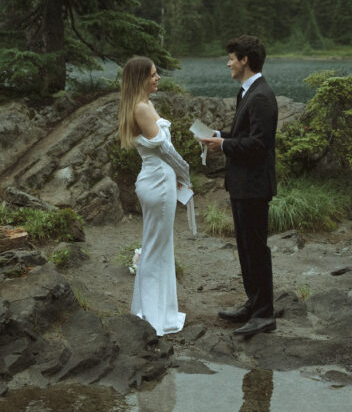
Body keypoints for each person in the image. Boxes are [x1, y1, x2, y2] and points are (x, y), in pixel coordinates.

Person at [199, 35, 278, 338]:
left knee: (256, 248)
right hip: (243, 184)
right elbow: (244, 133)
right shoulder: (248, 92)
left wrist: (226, 145)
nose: (228, 63)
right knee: (246, 247)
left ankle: (264, 314)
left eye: (231, 58)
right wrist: (221, 136)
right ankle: (253, 304)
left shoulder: (261, 95)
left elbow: (259, 145)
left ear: (245, 60)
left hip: (255, 186)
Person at [117, 55, 190, 336]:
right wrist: (186, 174)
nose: (157, 78)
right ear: (140, 79)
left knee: (160, 246)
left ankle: (158, 312)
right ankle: (151, 317)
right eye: (152, 75)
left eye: (157, 74)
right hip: (158, 181)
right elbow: (164, 151)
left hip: (160, 179)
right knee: (155, 248)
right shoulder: (142, 108)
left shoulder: (146, 104)